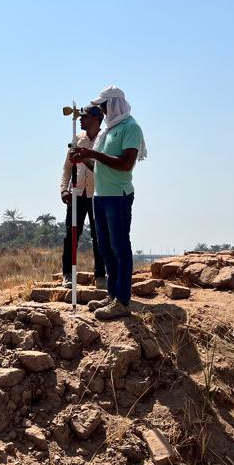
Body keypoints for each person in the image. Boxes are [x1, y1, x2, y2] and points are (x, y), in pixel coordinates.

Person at [69, 86, 147, 319]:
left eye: (104, 105)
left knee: (120, 246)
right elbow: (101, 166)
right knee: (105, 247)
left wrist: (92, 154)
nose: (101, 110)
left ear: (113, 104)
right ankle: (112, 295)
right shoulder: (107, 131)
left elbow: (125, 164)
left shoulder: (130, 127)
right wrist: (84, 158)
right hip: (100, 196)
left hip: (118, 196)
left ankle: (123, 301)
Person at [59, 105, 106, 289]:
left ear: (95, 119)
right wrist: (64, 189)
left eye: (84, 116)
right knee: (71, 235)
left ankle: (100, 275)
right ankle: (68, 274)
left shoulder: (105, 139)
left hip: (98, 194)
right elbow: (67, 167)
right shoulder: (78, 139)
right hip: (77, 193)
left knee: (99, 236)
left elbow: (101, 167)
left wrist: (85, 159)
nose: (80, 119)